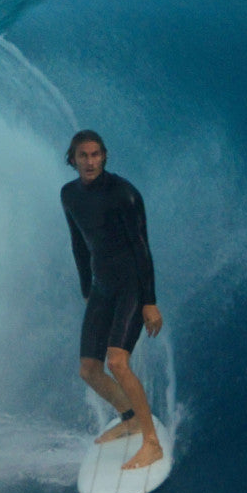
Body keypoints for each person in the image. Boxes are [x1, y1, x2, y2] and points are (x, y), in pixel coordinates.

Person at [60, 129, 164, 470]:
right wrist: (86, 286)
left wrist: (149, 301)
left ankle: (151, 444)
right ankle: (130, 417)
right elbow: (79, 244)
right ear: (72, 159)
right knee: (89, 369)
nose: (90, 162)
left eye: (95, 155)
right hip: (103, 287)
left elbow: (142, 248)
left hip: (132, 287)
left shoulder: (124, 194)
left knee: (118, 363)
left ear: (104, 156)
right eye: (83, 156)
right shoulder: (69, 195)